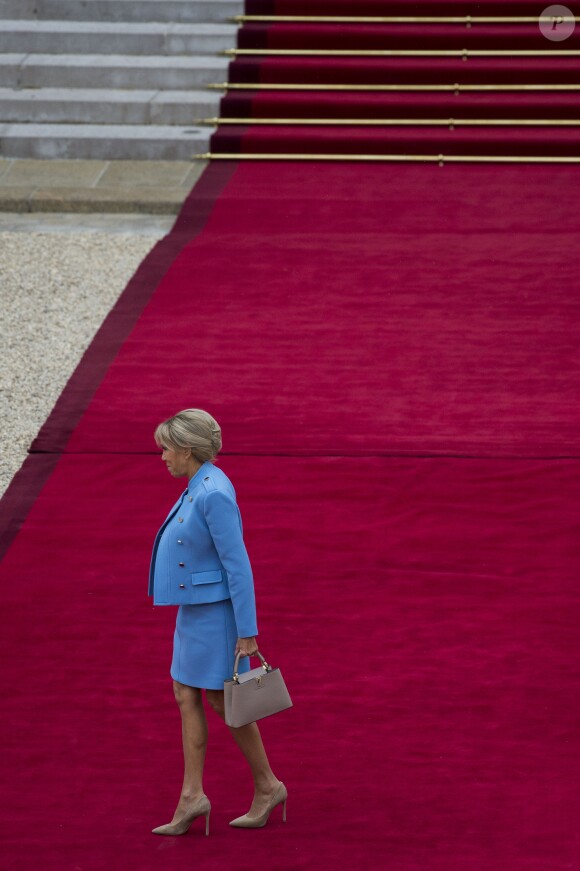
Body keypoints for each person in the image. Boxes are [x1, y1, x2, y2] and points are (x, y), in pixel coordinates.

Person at [148, 408, 286, 836]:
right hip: (195, 609)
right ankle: (192, 796)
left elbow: (238, 566)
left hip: (218, 613)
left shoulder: (213, 492)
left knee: (223, 701)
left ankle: (268, 786)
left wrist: (247, 631)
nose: (163, 457)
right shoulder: (198, 483)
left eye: (167, 448)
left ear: (187, 449)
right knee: (184, 692)